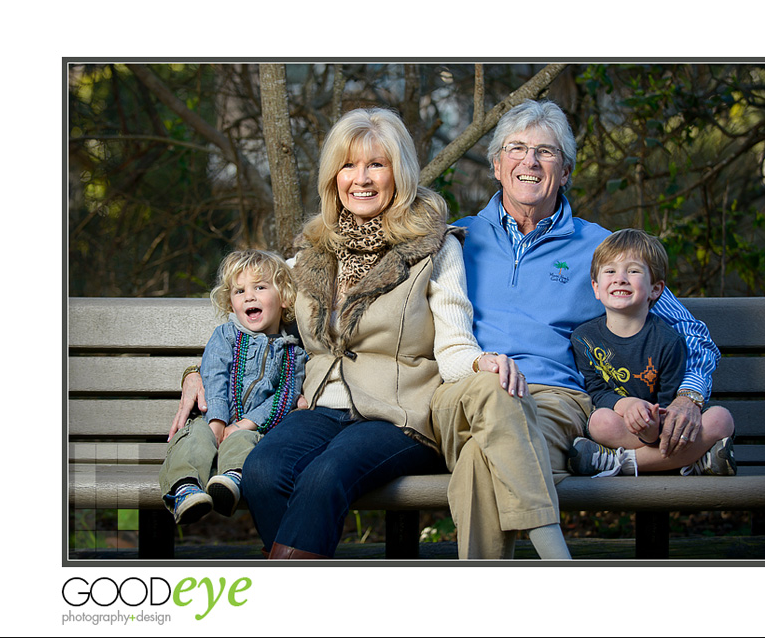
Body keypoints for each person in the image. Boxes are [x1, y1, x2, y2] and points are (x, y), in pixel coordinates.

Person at [173, 107, 529, 559]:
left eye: (376, 164)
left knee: (325, 475)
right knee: (262, 471)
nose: (360, 178)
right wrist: (196, 372)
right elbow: (251, 324)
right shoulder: (310, 255)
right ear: (332, 177)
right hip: (320, 407)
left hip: (400, 416)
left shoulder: (435, 249)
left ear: (398, 174)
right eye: (348, 165)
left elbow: (455, 343)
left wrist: (481, 362)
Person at [431, 99, 722, 559]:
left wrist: (689, 396)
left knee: (478, 462)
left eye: (545, 152)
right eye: (517, 148)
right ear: (495, 165)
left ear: (564, 172)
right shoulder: (454, 239)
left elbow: (693, 334)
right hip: (466, 392)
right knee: (491, 413)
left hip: (552, 400)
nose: (529, 161)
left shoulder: (602, 251)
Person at [567, 229, 735, 478]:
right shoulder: (584, 338)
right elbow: (598, 391)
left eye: (633, 271)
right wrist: (629, 406)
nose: (620, 278)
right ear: (595, 287)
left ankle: (619, 463)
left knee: (722, 419)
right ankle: (692, 461)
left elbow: (670, 402)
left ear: (656, 290)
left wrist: (653, 425)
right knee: (600, 421)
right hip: (623, 423)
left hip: (667, 424)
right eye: (610, 271)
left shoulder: (669, 341)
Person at [159, 249, 306, 524]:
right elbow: (214, 376)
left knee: (245, 442)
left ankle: (231, 481)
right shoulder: (226, 335)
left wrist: (245, 424)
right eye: (239, 291)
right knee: (194, 438)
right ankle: (184, 490)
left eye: (260, 287)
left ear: (284, 297)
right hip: (212, 417)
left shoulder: (292, 352)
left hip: (252, 426)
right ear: (231, 303)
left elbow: (284, 397)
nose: (249, 296)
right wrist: (217, 419)